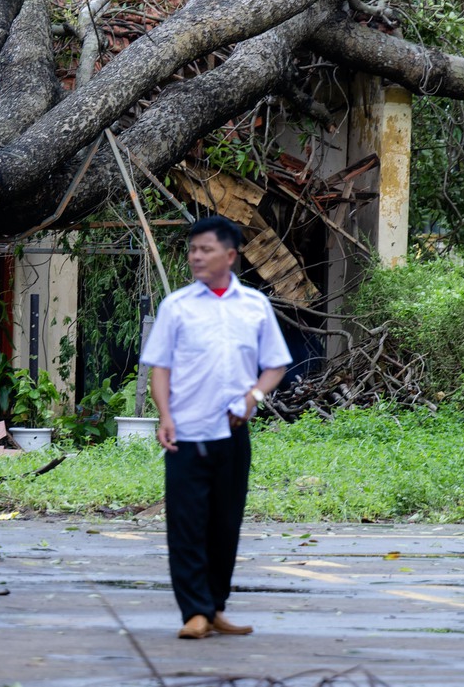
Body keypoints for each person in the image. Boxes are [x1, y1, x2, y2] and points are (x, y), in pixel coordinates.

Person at [139, 214, 291, 639]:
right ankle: (195, 612)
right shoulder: (177, 307)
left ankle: (216, 608)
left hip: (232, 434)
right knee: (186, 524)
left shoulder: (254, 306)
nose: (196, 257)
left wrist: (253, 397)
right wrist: (165, 416)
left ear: (230, 255)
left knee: (226, 524)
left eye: (205, 249)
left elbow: (275, 365)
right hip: (186, 433)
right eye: (192, 250)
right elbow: (160, 368)